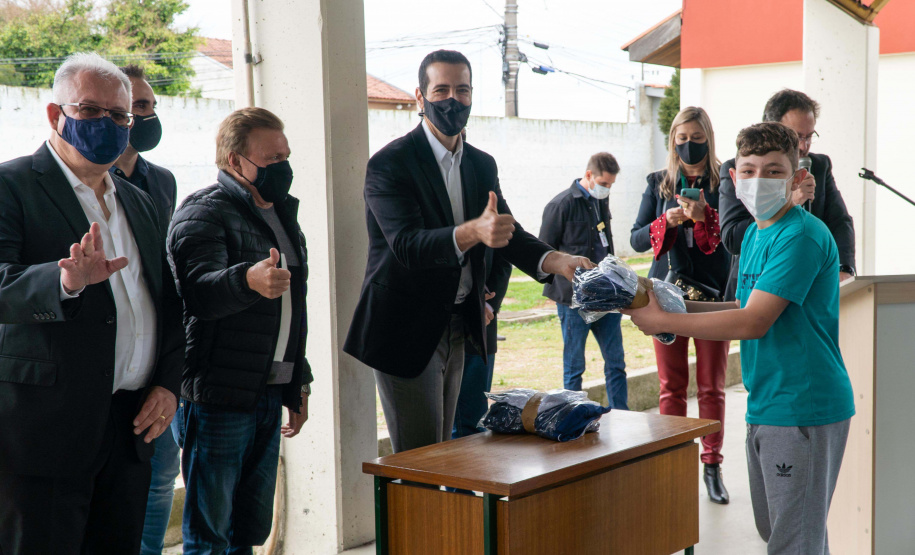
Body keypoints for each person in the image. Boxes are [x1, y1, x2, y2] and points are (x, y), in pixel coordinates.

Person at [623, 122, 854, 554]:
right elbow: (741, 305)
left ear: (798, 177)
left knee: (793, 543)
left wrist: (664, 322)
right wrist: (666, 303)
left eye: (773, 171)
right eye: (748, 171)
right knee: (779, 533)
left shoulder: (801, 235)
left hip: (802, 406)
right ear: (733, 177)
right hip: (766, 401)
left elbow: (753, 322)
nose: (758, 180)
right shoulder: (754, 234)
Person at [343, 49, 590, 454]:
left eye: (462, 90)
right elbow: (406, 245)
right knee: (421, 459)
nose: (452, 100)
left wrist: (557, 260)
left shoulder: (480, 164)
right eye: (441, 90)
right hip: (405, 327)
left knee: (446, 450)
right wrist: (473, 231)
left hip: (458, 322)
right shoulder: (390, 164)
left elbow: (508, 231)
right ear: (420, 97)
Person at [0, 52, 185, 554]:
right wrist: (64, 282)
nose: (107, 123)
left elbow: (168, 301)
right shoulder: (11, 186)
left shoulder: (139, 199)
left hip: (131, 426)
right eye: (90, 110)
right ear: (55, 114)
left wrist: (169, 383)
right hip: (45, 431)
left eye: (119, 115)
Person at [167, 107, 312, 553]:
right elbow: (197, 294)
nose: (283, 167)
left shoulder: (281, 213)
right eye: (271, 159)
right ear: (235, 161)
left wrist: (298, 380)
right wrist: (246, 280)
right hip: (219, 395)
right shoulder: (203, 212)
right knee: (210, 533)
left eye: (285, 157)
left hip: (268, 391)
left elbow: (291, 310)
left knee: (249, 529)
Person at [629, 106, 731, 504]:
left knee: (711, 387)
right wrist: (664, 223)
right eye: (682, 139)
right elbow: (636, 238)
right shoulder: (659, 183)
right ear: (672, 140)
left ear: (709, 138)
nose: (689, 145)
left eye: (697, 138)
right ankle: (672, 463)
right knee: (671, 386)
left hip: (714, 296)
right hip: (666, 295)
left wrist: (707, 217)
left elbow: (738, 235)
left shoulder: (726, 180)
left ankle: (712, 466)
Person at [111, 63, 181, 555]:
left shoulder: (163, 181)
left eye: (151, 106)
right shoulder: (89, 181)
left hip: (157, 360)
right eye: (137, 107)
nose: (146, 116)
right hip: (108, 363)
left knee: (160, 478)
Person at [719, 89, 855, 301]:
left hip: (806, 278)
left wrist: (844, 267)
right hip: (753, 280)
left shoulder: (819, 166)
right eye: (796, 136)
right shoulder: (739, 170)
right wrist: (788, 201)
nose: (803, 146)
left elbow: (840, 221)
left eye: (809, 136)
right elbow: (731, 237)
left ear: (797, 177)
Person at [540, 152, 628, 409]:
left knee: (616, 364)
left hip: (607, 296)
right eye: (603, 183)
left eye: (610, 185)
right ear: (588, 175)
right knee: (574, 367)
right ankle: (571, 418)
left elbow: (605, 242)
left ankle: (622, 415)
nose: (607, 189)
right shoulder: (561, 204)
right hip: (574, 301)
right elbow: (544, 253)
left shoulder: (601, 201)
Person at [451, 248, 511, 438]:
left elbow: (504, 260)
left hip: (482, 326)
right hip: (437, 326)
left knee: (473, 420)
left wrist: (486, 306)